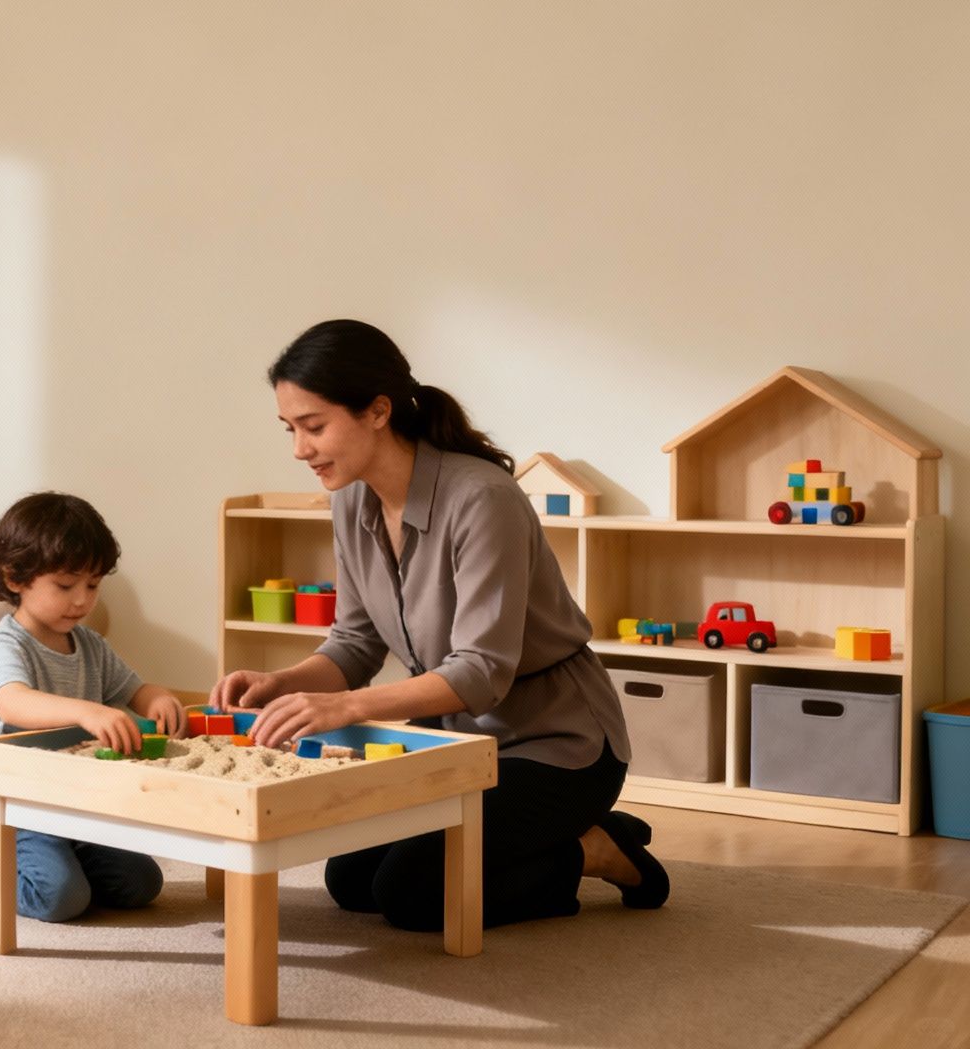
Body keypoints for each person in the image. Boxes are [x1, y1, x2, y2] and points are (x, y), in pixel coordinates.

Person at [211, 319, 668, 932]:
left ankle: (593, 848)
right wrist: (285, 682)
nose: (300, 449)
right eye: (290, 429)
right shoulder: (351, 499)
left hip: (554, 746)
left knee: (414, 893)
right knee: (351, 882)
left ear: (377, 411)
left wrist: (345, 709)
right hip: (452, 743)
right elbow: (354, 641)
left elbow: (482, 670)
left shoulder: (482, 498)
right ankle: (551, 838)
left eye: (314, 426)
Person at [0, 492, 186, 919]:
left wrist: (161, 699)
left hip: (75, 806)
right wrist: (84, 711)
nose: (82, 600)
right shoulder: (4, 645)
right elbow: (12, 702)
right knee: (58, 897)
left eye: (93, 585)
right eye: (65, 585)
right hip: (11, 810)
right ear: (16, 578)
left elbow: (137, 690)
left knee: (140, 883)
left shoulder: (91, 646)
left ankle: (59, 864)